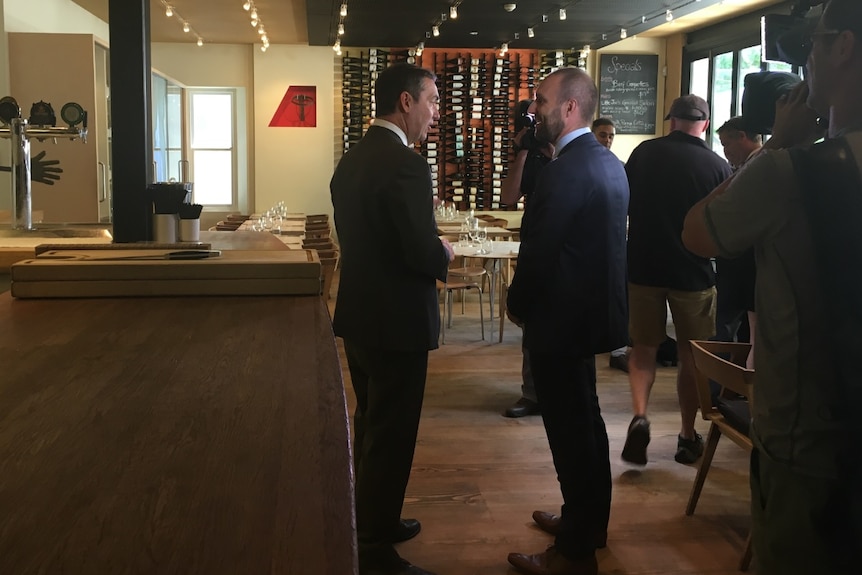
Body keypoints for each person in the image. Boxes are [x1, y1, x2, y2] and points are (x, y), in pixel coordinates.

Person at [682, 1, 862, 571]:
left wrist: (779, 143)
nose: (805, 54)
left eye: (814, 40)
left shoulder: (789, 174)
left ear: (844, 47)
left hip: (809, 434)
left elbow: (696, 233)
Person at [330, 62, 454, 575]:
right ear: (406, 102)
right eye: (431, 101)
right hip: (398, 322)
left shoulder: (350, 160)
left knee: (370, 423)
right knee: (393, 430)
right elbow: (416, 248)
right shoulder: (405, 163)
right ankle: (376, 547)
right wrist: (442, 250)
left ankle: (373, 518)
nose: (436, 113)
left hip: (359, 314)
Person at [506, 67, 629, 575]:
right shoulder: (610, 163)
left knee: (570, 433)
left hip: (559, 322)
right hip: (591, 317)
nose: (534, 108)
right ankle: (587, 524)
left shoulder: (562, 171)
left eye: (542, 99)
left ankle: (575, 553)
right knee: (587, 426)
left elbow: (538, 254)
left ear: (571, 107)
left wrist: (517, 304)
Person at [621, 94, 733, 466]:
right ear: (704, 123)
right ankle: (687, 437)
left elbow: (625, 202)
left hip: (643, 268)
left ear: (671, 120)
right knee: (690, 357)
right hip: (694, 273)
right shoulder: (717, 166)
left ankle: (640, 416)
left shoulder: (643, 154)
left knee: (643, 349)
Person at [500, 99, 553, 418]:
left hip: (564, 250)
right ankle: (532, 394)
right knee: (532, 322)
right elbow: (508, 197)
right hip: (534, 245)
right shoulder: (530, 155)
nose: (534, 121)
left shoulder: (570, 152)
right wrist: (521, 150)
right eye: (531, 116)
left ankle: (559, 393)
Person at [714, 116, 761, 368]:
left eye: (726, 144)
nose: (725, 151)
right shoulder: (749, 166)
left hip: (747, 270)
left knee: (749, 337)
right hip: (743, 270)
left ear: (742, 137)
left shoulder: (757, 169)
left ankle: (720, 391)